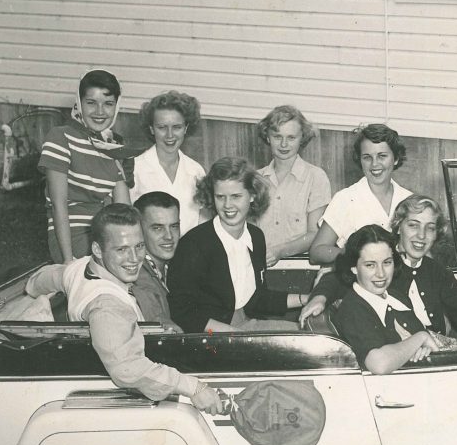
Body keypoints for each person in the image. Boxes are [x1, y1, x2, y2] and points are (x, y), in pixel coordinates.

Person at [25, 204, 223, 413]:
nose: (134, 258)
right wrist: (195, 388)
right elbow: (127, 368)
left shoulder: (79, 267)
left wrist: (33, 293)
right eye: (121, 249)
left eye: (139, 246)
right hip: (116, 398)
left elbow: (39, 280)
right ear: (97, 249)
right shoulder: (107, 306)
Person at [301, 194, 457, 340]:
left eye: (430, 228)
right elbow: (336, 278)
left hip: (435, 351)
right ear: (398, 227)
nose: (421, 235)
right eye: (413, 225)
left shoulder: (437, 272)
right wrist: (319, 297)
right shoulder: (383, 266)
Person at [167, 158, 307, 333]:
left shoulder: (256, 237)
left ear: (253, 195)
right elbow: (182, 312)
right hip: (211, 337)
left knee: (311, 337)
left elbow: (258, 299)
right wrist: (234, 335)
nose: (227, 205)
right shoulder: (194, 243)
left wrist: (306, 299)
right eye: (220, 197)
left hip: (247, 325)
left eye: (236, 196)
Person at [38, 69, 132, 263]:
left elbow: (123, 208)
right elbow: (58, 204)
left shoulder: (111, 144)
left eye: (108, 104)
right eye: (91, 103)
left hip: (106, 232)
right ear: (79, 104)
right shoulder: (60, 137)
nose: (100, 112)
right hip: (72, 234)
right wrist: (68, 260)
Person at [331, 225, 439, 374]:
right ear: (354, 268)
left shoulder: (397, 297)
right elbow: (379, 364)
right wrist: (420, 338)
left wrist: (420, 348)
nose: (381, 274)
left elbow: (422, 348)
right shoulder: (354, 309)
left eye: (387, 262)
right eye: (370, 265)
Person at [309, 123, 413, 265]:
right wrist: (356, 254)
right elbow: (316, 252)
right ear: (360, 160)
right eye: (367, 157)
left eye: (382, 156)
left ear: (395, 159)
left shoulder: (409, 200)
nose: (374, 164)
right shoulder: (345, 198)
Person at [255, 105, 332, 265]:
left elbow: (315, 233)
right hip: (259, 263)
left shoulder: (316, 177)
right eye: (277, 136)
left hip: (300, 265)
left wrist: (280, 251)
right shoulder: (256, 178)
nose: (284, 144)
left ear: (302, 138)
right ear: (267, 137)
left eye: (291, 137)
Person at [130, 90, 207, 235]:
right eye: (162, 127)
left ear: (186, 128)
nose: (170, 135)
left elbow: (202, 221)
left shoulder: (196, 171)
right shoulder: (136, 168)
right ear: (152, 129)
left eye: (177, 127)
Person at [133, 191, 184, 332]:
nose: (169, 236)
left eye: (174, 226)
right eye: (157, 228)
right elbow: (156, 318)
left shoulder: (177, 264)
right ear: (139, 229)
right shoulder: (136, 271)